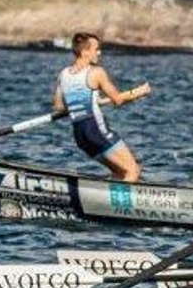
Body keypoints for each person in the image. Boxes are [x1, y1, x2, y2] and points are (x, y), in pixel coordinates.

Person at [51, 32, 149, 182]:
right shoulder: (96, 72)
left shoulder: (63, 74)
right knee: (133, 170)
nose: (99, 52)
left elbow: (59, 107)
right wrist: (138, 92)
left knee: (120, 173)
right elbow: (117, 100)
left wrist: (93, 102)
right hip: (95, 130)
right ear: (84, 52)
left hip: (80, 136)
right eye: (95, 49)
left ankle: (107, 197)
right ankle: (121, 205)